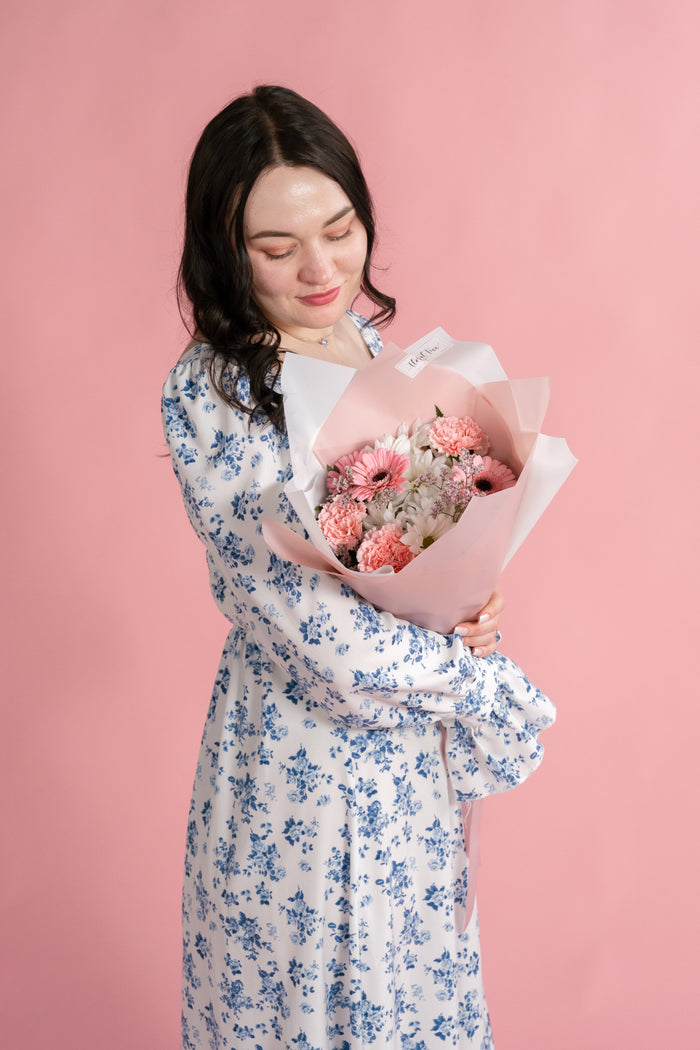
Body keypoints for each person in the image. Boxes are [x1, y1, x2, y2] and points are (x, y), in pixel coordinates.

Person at [162, 85, 555, 1050]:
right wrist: (474, 682)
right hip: (297, 770)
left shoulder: (370, 346)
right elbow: (315, 633)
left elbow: (412, 548)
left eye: (340, 229)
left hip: (405, 777)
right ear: (223, 247)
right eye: (276, 248)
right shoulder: (212, 395)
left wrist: (466, 604)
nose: (321, 268)